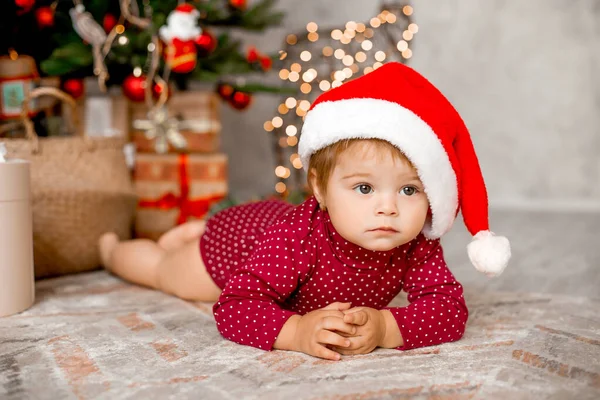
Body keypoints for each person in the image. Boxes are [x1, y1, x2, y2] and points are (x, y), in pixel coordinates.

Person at [99, 61, 511, 361]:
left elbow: (449, 311)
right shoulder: (296, 238)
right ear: (320, 188)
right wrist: (295, 330)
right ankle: (118, 250)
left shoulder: (417, 243)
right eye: (364, 188)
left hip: (271, 221)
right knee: (171, 274)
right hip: (241, 242)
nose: (388, 207)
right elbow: (234, 306)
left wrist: (388, 327)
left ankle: (191, 228)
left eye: (408, 189)